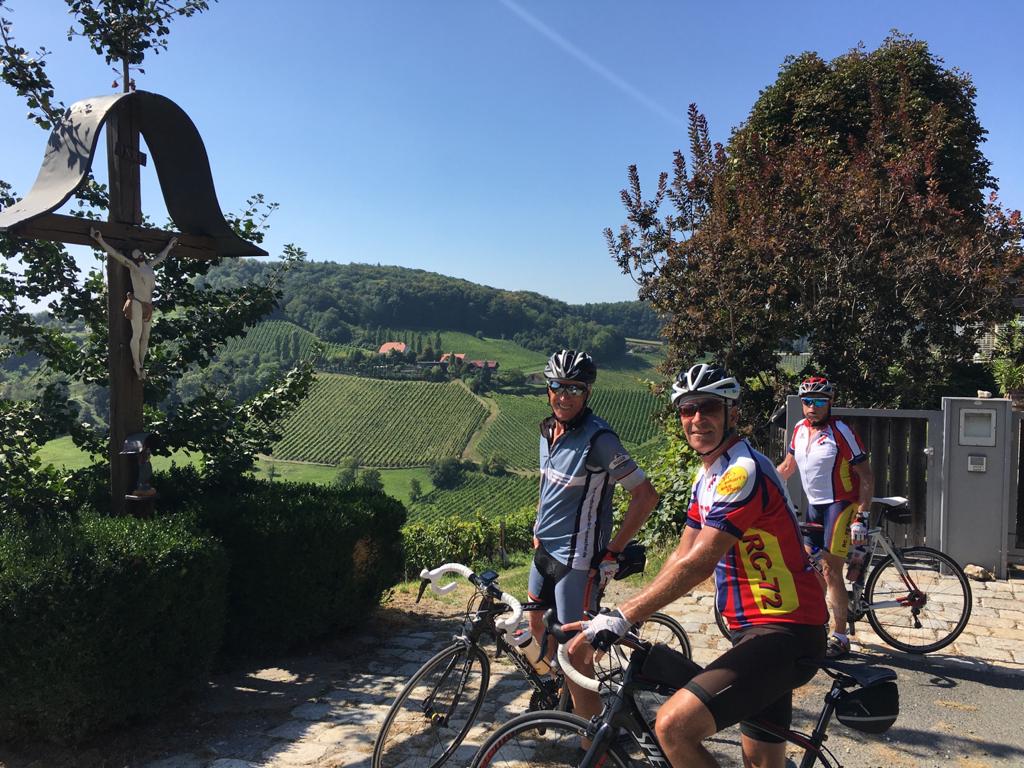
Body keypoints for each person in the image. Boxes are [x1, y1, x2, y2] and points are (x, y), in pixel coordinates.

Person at [567, 363, 827, 768]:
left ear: (732, 414)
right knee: (762, 763)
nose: (697, 418)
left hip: (785, 631)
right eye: (687, 409)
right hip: (754, 634)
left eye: (708, 407)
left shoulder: (741, 472)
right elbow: (681, 554)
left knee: (674, 726)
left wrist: (623, 616)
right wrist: (632, 613)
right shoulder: (708, 475)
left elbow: (700, 563)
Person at [529, 349, 659, 723]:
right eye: (558, 386)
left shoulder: (599, 440)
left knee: (576, 654)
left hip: (578, 560)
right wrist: (538, 527)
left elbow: (646, 496)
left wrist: (613, 550)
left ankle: (594, 739)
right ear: (548, 388)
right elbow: (547, 487)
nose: (564, 396)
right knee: (536, 625)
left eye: (574, 388)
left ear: (587, 392)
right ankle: (564, 696)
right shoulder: (547, 430)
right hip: (545, 550)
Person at [776, 375, 874, 659]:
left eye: (819, 402)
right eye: (807, 401)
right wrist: (761, 485)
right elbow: (787, 467)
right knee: (809, 568)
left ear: (830, 403)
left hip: (840, 505)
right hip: (814, 506)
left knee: (831, 571)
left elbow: (867, 476)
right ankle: (813, 625)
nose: (812, 407)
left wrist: (862, 516)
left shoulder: (841, 431)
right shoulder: (799, 429)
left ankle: (841, 637)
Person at [90, 227, 178, 381]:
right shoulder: (133, 267)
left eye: (141, 254)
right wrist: (100, 240)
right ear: (135, 259)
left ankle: (142, 363)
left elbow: (161, 256)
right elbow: (115, 254)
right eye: (137, 256)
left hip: (148, 305)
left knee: (146, 336)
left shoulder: (149, 266)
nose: (140, 257)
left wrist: (169, 246)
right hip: (137, 303)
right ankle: (136, 364)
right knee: (136, 334)